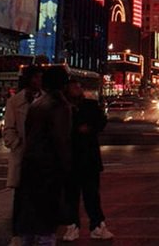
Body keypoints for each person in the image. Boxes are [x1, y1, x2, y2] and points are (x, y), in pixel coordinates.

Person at [15, 65, 72, 246]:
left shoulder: (37, 103)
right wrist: (67, 167)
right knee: (47, 220)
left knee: (31, 217)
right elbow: (61, 139)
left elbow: (28, 132)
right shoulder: (60, 105)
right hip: (50, 167)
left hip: (31, 164)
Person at [61, 79, 113, 241]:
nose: (77, 89)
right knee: (72, 196)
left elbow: (101, 122)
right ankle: (73, 226)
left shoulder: (89, 105)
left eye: (78, 86)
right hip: (71, 158)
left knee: (91, 195)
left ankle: (97, 225)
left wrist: (89, 128)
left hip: (88, 158)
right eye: (73, 86)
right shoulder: (63, 108)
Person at [5, 66, 43, 245]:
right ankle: (17, 234)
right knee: (20, 198)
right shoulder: (14, 102)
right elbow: (8, 130)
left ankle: (36, 231)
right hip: (23, 156)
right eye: (36, 77)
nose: (39, 80)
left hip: (42, 156)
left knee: (40, 197)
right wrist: (16, 144)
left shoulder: (46, 100)